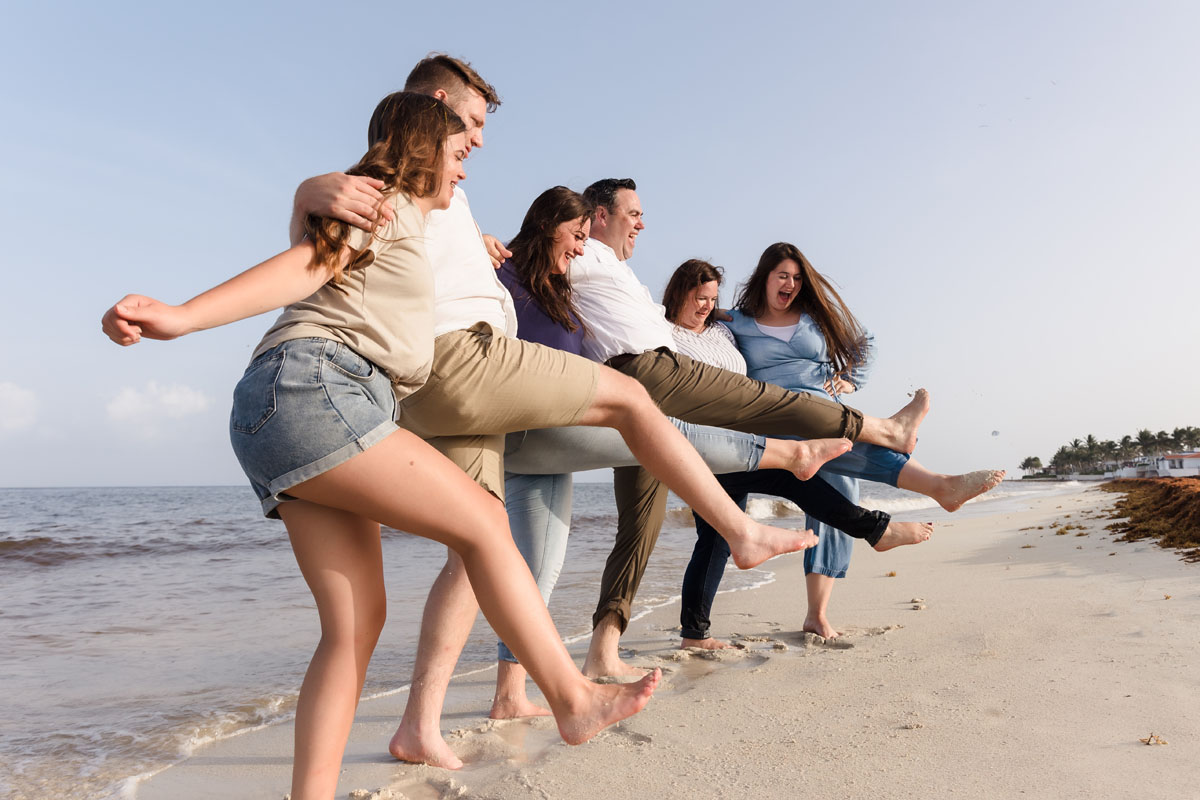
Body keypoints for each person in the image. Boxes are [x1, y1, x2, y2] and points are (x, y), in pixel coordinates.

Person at [289, 56, 847, 771]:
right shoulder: (390, 179)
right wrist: (310, 189)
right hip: (460, 365)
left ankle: (420, 725)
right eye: (474, 124)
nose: (480, 144)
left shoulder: (449, 198)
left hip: (464, 383)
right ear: (435, 105)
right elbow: (320, 240)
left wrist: (481, 246)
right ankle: (742, 521)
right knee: (631, 404)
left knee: (479, 542)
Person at [99, 93, 662, 800]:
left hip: (276, 415)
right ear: (426, 152)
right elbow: (308, 263)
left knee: (356, 626)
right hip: (318, 386)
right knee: (485, 522)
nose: (466, 169)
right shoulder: (385, 204)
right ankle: (571, 698)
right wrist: (182, 317)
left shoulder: (414, 227)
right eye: (459, 154)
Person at [488, 188, 929, 717]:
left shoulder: (681, 313)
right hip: (596, 411)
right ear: (595, 218)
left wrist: (842, 378)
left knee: (557, 558)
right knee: (760, 444)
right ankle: (863, 458)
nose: (638, 227)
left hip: (600, 417)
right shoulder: (560, 267)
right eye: (631, 216)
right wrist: (481, 240)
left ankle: (541, 681)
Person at [714, 242, 1005, 638]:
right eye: (783, 275)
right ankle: (937, 484)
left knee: (836, 499)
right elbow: (696, 327)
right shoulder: (736, 321)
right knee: (834, 444)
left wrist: (850, 380)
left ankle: (817, 615)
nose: (791, 284)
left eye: (798, 278)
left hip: (830, 413)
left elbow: (864, 341)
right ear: (764, 277)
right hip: (777, 416)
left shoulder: (815, 319)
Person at [665, 258, 943, 647]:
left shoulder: (721, 331)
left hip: (741, 442)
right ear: (677, 294)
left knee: (716, 538)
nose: (705, 306)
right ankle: (882, 523)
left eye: (711, 298)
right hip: (701, 446)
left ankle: (694, 634)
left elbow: (746, 329)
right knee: (784, 484)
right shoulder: (662, 333)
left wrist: (846, 379)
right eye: (697, 297)